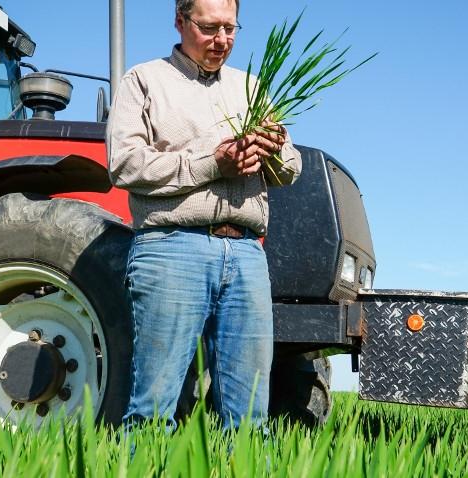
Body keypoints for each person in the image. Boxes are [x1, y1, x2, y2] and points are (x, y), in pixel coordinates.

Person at [106, 0, 301, 429]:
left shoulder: (251, 87)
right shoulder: (144, 80)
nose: (222, 41)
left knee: (249, 415)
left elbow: (291, 169)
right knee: (154, 407)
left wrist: (274, 150)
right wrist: (213, 163)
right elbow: (124, 165)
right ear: (180, 21)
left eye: (231, 29)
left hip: (247, 255)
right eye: (210, 28)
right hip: (173, 248)